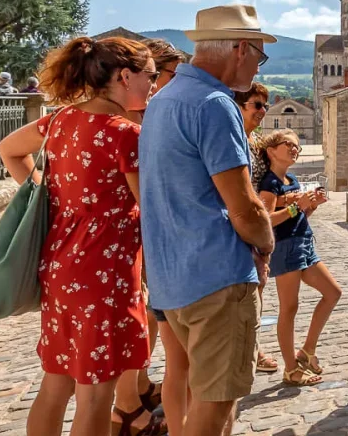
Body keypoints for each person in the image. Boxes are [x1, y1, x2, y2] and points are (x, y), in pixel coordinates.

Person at [0, 36, 156, 436]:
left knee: (56, 383)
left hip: (62, 267)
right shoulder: (124, 133)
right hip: (105, 276)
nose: (153, 85)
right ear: (124, 76)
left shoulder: (61, 119)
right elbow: (152, 210)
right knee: (96, 396)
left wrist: (45, 195)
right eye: (150, 76)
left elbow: (8, 149)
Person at [140, 5, 277, 436]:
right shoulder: (215, 104)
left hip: (171, 277)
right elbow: (245, 206)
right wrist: (265, 246)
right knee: (214, 411)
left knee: (200, 398)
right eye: (259, 54)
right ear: (240, 48)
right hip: (216, 277)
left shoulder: (162, 99)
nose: (258, 64)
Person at [110, 37, 193, 434]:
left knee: (147, 318)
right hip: (139, 236)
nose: (173, 83)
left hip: (141, 236)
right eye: (167, 75)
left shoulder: (144, 116)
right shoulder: (131, 123)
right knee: (142, 319)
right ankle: (128, 407)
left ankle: (139, 390)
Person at [258, 129, 339, 387]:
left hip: (304, 243)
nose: (294, 149)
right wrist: (295, 206)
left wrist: (310, 206)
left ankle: (306, 351)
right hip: (285, 248)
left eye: (297, 147)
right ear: (271, 151)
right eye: (288, 145)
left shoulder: (291, 179)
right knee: (289, 309)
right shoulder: (270, 183)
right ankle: (291, 369)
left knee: (333, 293)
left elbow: (299, 217)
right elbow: (266, 221)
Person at [234, 82, 281, 375]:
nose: (263, 111)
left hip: (256, 224)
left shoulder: (253, 142)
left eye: (265, 105)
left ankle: (253, 347)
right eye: (256, 105)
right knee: (249, 292)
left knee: (257, 291)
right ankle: (252, 350)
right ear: (239, 107)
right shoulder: (238, 140)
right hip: (244, 225)